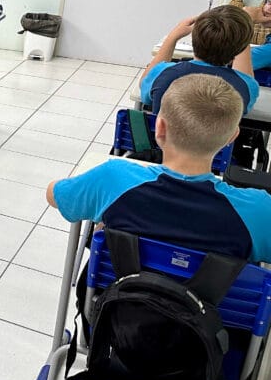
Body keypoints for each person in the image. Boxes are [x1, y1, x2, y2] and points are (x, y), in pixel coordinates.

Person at [48, 74, 271, 261]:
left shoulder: (113, 178)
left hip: (116, 297)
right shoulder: (258, 210)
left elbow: (54, 195)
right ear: (231, 138)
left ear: (159, 128)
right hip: (213, 302)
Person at [140, 5, 259, 114]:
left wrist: (173, 36)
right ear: (240, 50)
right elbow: (245, 78)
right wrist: (242, 34)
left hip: (163, 132)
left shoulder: (163, 73)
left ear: (193, 39)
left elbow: (143, 83)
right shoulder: (245, 86)